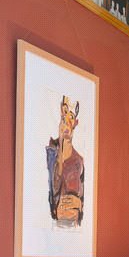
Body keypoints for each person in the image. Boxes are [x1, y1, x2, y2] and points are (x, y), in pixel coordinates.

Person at [46, 96, 86, 226]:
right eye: (65, 114)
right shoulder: (50, 153)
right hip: (53, 225)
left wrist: (78, 205)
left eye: (71, 117)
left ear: (75, 123)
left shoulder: (78, 161)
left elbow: (82, 203)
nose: (67, 121)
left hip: (71, 227)